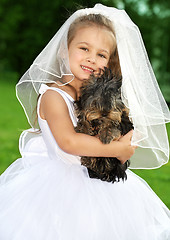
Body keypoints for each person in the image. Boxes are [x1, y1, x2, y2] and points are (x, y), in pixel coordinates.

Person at [0, 3, 170, 240]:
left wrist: (125, 147)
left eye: (101, 54)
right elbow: (69, 142)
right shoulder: (53, 96)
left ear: (108, 62)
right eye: (84, 48)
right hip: (59, 190)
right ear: (63, 51)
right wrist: (116, 148)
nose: (91, 59)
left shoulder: (101, 99)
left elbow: (119, 137)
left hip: (102, 184)